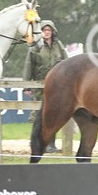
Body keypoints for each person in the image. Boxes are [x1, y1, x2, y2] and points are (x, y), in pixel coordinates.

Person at [23, 19, 69, 149]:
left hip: (56, 86)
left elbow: (67, 63)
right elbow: (28, 66)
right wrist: (26, 85)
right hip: (40, 85)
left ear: (53, 32)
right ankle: (37, 143)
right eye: (44, 30)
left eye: (49, 30)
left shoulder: (58, 45)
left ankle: (51, 144)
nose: (47, 32)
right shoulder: (35, 47)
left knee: (54, 115)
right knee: (39, 116)